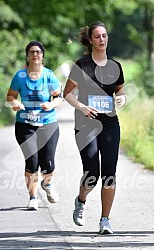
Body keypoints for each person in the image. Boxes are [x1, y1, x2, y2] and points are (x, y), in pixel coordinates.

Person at [63, 21, 127, 234]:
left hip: (110, 124)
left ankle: (105, 220)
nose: (102, 40)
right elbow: (67, 93)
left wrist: (122, 99)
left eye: (104, 36)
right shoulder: (82, 65)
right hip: (85, 124)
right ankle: (81, 201)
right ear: (90, 40)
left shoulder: (115, 66)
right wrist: (81, 106)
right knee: (92, 172)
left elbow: (120, 91)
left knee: (110, 173)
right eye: (97, 36)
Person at [6, 40, 63, 210]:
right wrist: (15, 103)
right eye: (32, 52)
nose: (35, 54)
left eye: (38, 51)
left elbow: (59, 98)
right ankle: (33, 197)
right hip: (25, 124)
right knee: (32, 161)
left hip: (48, 124)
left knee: (48, 164)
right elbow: (10, 97)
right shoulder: (20, 76)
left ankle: (47, 185)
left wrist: (50, 105)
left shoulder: (48, 76)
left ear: (42, 55)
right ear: (27, 55)